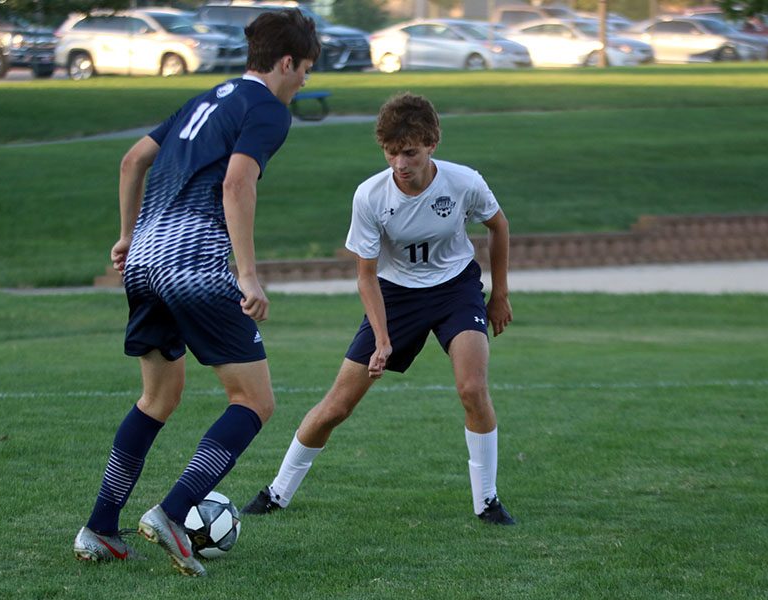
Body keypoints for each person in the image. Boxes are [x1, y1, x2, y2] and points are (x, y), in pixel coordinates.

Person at [71, 9, 320, 576]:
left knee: (158, 399)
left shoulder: (206, 98)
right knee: (255, 401)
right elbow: (237, 182)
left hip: (144, 264)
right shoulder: (267, 110)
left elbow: (132, 160)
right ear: (285, 63)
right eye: (304, 69)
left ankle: (100, 528)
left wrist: (129, 236)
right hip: (194, 265)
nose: (303, 80)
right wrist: (248, 274)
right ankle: (173, 511)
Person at [242, 92, 516, 525]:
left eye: (409, 152)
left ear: (432, 144)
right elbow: (366, 275)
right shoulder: (370, 196)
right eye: (391, 153)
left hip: (456, 289)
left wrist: (498, 293)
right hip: (395, 296)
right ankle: (277, 492)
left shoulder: (464, 182)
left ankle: (487, 502)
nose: (400, 163)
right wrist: (383, 340)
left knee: (471, 389)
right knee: (337, 406)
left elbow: (498, 225)